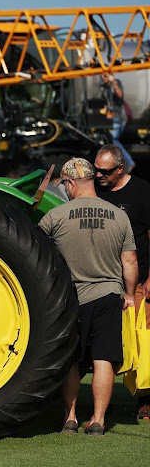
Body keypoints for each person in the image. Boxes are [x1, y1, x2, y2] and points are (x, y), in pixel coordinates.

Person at [38, 157, 138, 436]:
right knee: (103, 359)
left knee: (70, 360)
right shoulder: (119, 215)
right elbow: (129, 261)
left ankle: (70, 418)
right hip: (108, 295)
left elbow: (34, 251)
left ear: (70, 183)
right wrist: (129, 295)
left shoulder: (56, 217)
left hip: (71, 298)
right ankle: (98, 421)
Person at [94, 144, 150, 419]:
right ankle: (105, 401)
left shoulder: (142, 191)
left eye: (104, 171)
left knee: (142, 341)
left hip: (138, 281)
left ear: (120, 168)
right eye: (96, 170)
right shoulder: (96, 191)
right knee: (109, 342)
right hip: (105, 279)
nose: (99, 175)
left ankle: (145, 399)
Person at [100, 72, 135, 172]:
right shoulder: (104, 87)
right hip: (110, 118)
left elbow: (120, 95)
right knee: (111, 142)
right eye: (102, 76)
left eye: (105, 76)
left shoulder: (116, 83)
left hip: (118, 117)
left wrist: (113, 82)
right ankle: (117, 165)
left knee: (113, 139)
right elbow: (105, 103)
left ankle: (128, 161)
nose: (103, 78)